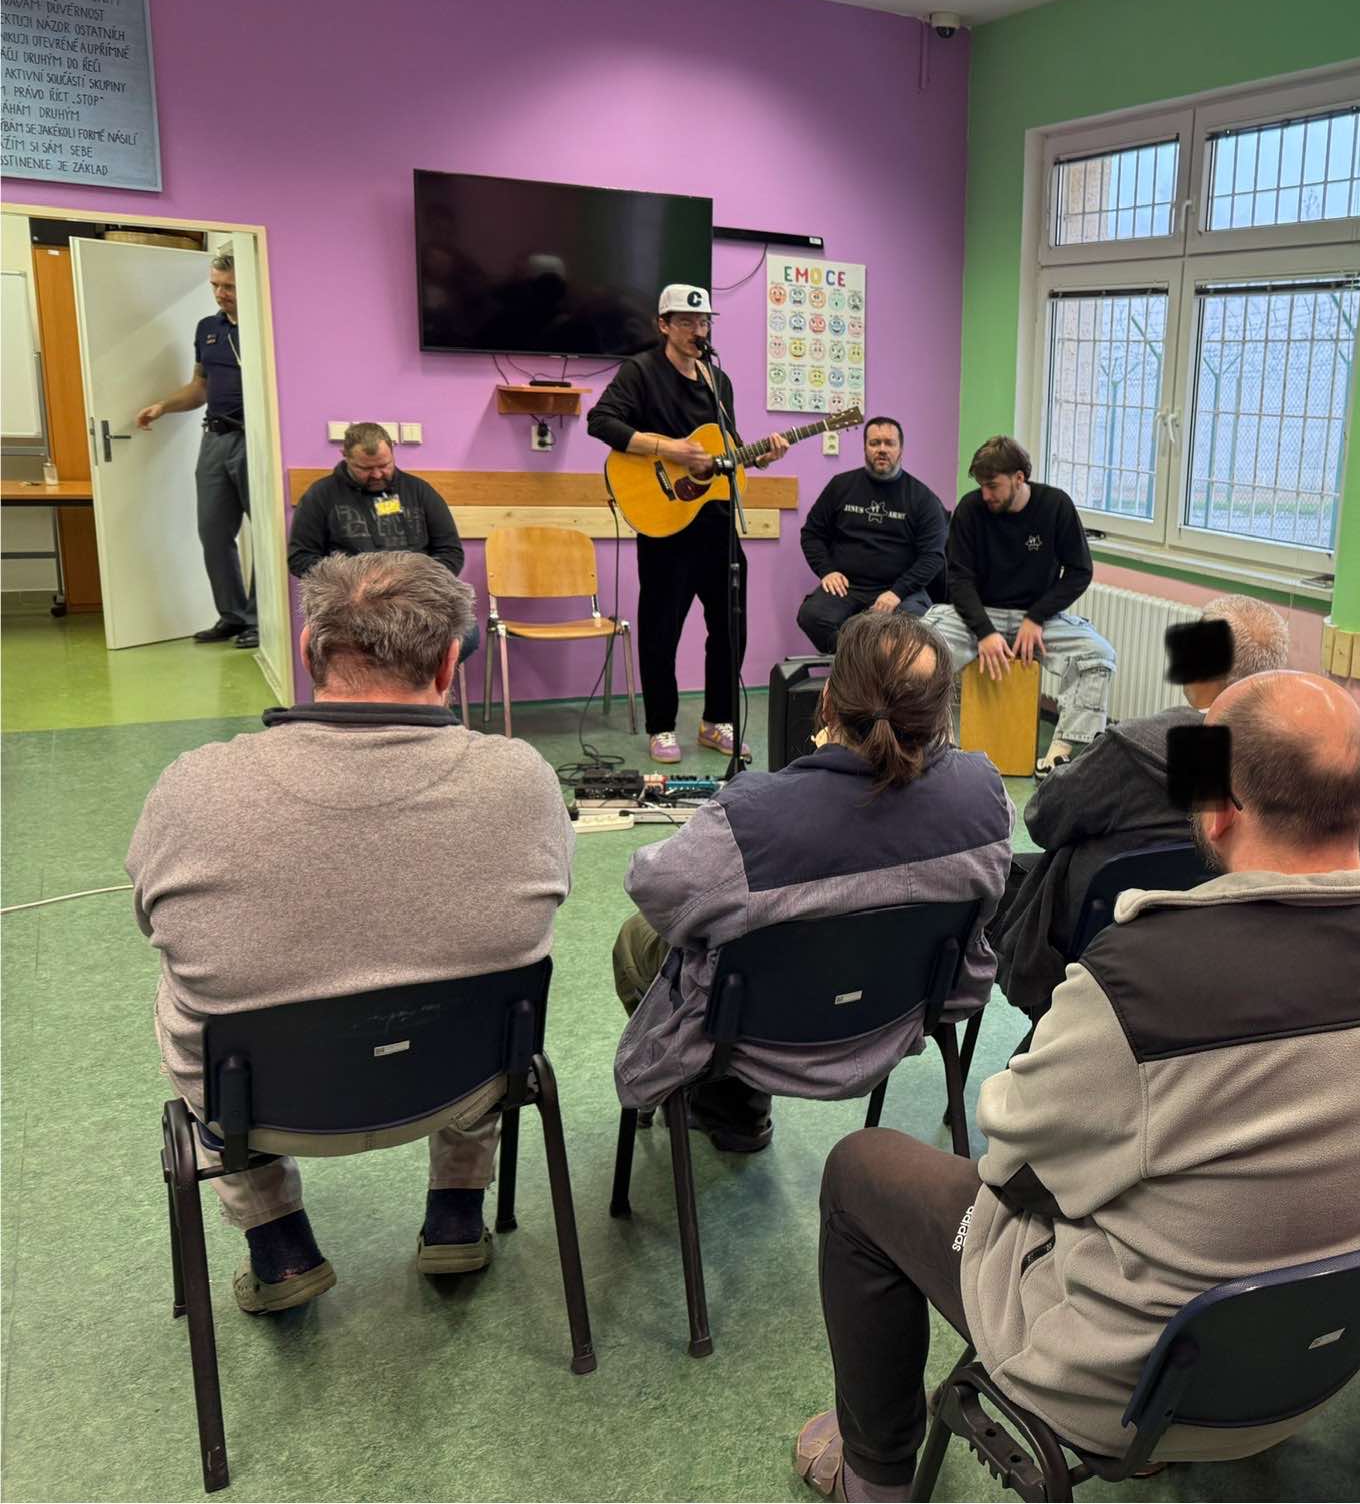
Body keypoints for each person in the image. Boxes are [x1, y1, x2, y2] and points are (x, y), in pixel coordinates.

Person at [792, 670, 1360, 1503]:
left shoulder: (1140, 987)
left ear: (1221, 810)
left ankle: (873, 1475)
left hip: (1132, 1393)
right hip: (1329, 1362)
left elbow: (1012, 1165)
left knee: (863, 1168)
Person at [127, 552, 572, 1312]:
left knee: (190, 998)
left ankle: (279, 1248)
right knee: (490, 981)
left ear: (309, 651)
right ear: (449, 663)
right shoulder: (523, 776)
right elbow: (547, 899)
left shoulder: (193, 785)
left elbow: (151, 918)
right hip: (466, 1077)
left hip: (261, 1101)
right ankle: (457, 1214)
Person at [611, 612, 1012, 1153]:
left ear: (826, 703)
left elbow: (653, 888)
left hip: (753, 1041)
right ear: (941, 716)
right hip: (901, 1019)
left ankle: (732, 1106)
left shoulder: (749, 817)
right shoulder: (985, 794)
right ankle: (735, 1109)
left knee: (637, 938)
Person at [991, 593, 1289, 1016]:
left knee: (994, 878)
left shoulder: (1130, 748)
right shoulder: (1290, 756)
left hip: (1100, 943)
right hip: (1213, 948)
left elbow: (1043, 819)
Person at [587, 283, 788, 765]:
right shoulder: (640, 372)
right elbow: (601, 421)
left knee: (730, 627)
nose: (698, 331)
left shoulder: (718, 381)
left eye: (703, 322)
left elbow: (726, 446)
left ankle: (717, 720)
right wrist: (668, 448)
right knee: (662, 631)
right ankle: (661, 726)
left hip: (716, 523)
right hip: (665, 525)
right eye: (686, 322)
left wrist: (759, 456)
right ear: (663, 325)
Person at [921, 437, 1115, 776]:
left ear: (1019, 478)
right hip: (978, 614)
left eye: (993, 485)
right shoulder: (969, 509)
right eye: (981, 485)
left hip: (1039, 619)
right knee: (916, 648)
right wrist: (984, 631)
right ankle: (938, 743)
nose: (985, 494)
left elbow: (1080, 572)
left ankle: (1058, 755)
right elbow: (959, 580)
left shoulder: (1056, 506)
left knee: (1099, 655)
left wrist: (1036, 616)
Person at [135, 246, 257, 649]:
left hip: (254, 439)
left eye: (230, 287)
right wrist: (163, 406)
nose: (221, 294)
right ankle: (233, 616)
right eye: (216, 286)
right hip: (215, 439)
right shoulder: (208, 328)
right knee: (213, 532)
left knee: (266, 531)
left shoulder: (264, 325)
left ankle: (260, 619)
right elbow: (199, 387)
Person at [287, 422, 480, 658]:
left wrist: (419, 583)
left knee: (467, 636)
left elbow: (450, 552)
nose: (377, 474)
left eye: (384, 465)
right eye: (365, 468)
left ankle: (421, 681)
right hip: (353, 604)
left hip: (416, 599)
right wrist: (352, 583)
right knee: (374, 652)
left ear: (392, 452)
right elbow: (300, 558)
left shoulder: (419, 491)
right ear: (345, 456)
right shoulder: (321, 495)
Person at [795, 416, 947, 653]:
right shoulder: (840, 486)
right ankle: (859, 660)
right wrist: (826, 571)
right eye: (875, 443)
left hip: (901, 589)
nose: (882, 449)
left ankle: (870, 663)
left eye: (889, 443)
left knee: (915, 628)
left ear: (901, 449)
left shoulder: (922, 498)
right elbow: (812, 534)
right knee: (812, 616)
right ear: (865, 448)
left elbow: (933, 556)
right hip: (847, 587)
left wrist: (897, 592)